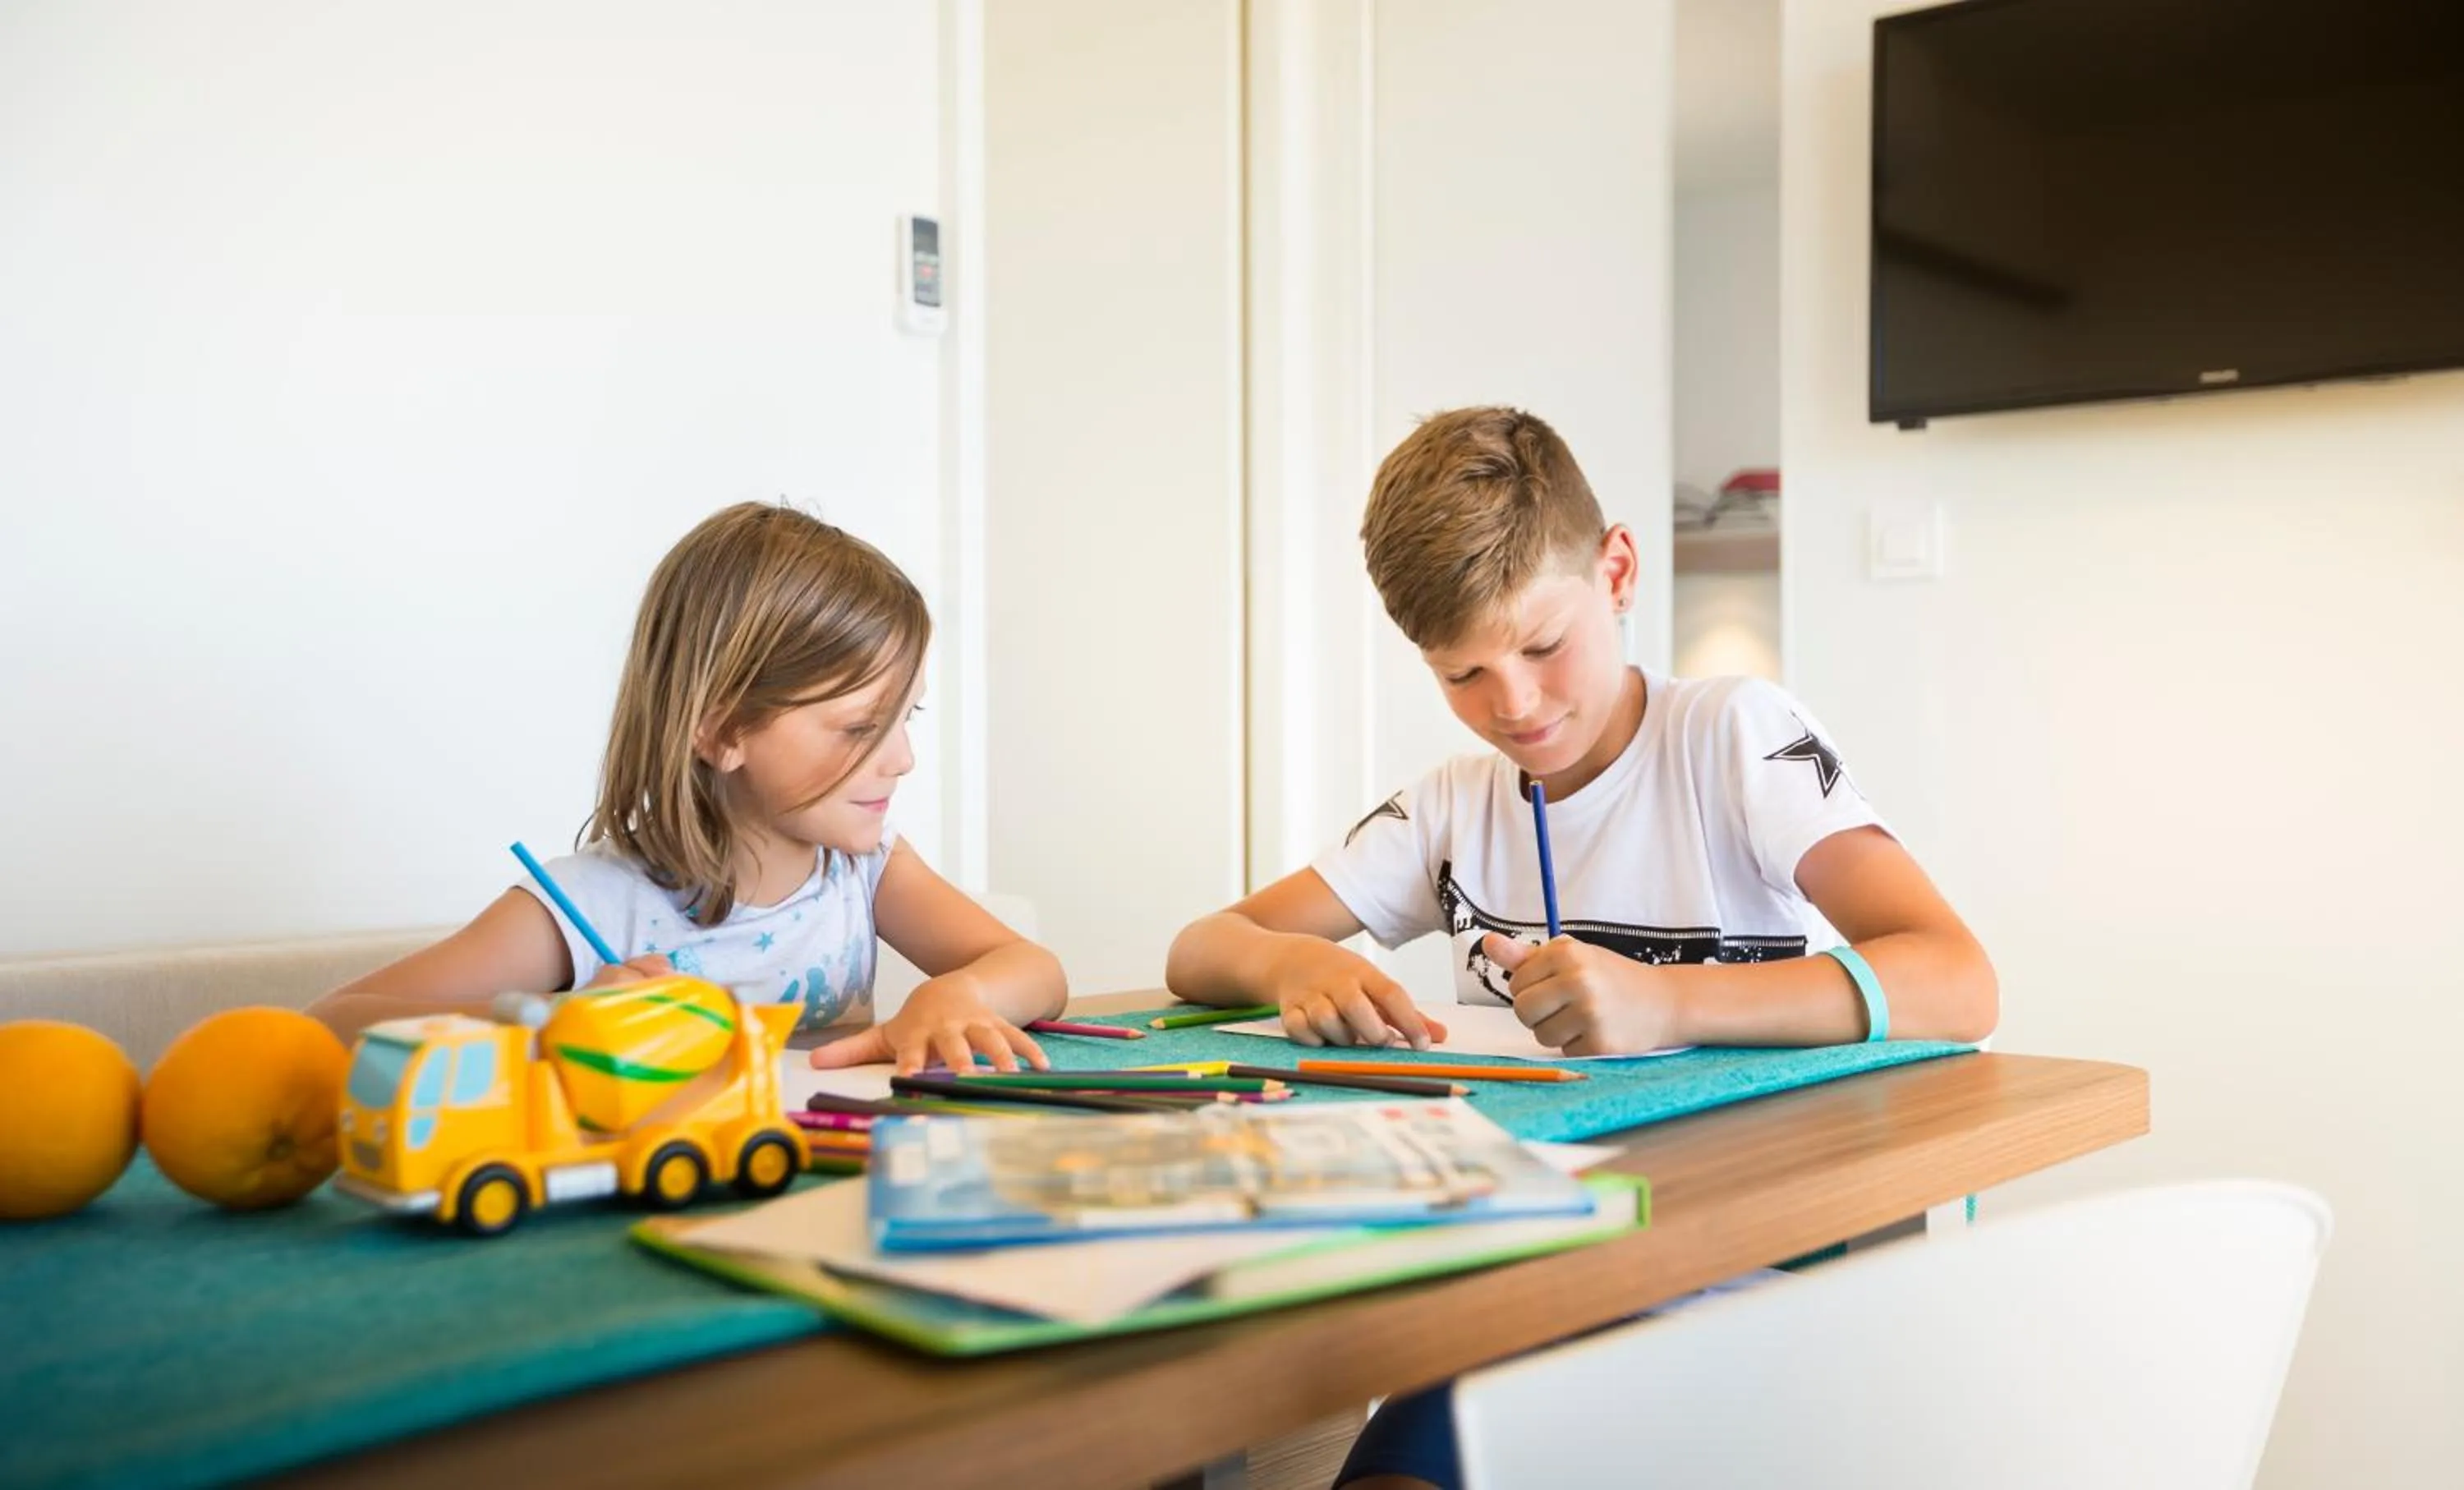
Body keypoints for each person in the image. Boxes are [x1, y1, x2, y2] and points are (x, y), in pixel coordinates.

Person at [1163, 408, 1997, 1490]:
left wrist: (1670, 1002)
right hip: (1509, 1307)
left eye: (1543, 645)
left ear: (1616, 571)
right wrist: (1293, 965)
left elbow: (1958, 974)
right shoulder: (1453, 808)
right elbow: (1202, 945)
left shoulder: (1733, 735)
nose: (1511, 704)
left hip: (1749, 1299)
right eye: (1460, 674)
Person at [310, 502, 1064, 1077]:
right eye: (861, 727)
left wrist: (959, 996)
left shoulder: (863, 870)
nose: (902, 758)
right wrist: (551, 1020)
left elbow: (1039, 971)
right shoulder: (592, 902)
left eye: (909, 718)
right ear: (721, 730)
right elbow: (331, 1025)